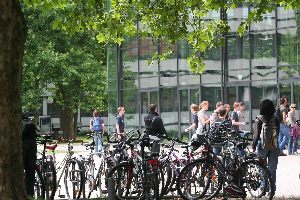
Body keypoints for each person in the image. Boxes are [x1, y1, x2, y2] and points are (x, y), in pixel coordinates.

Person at [252, 99, 279, 194]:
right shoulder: (276, 118)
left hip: (262, 146)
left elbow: (256, 135)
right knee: (272, 169)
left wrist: (253, 146)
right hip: (274, 146)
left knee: (261, 167)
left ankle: (263, 188)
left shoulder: (259, 119)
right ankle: (272, 189)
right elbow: (277, 133)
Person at [22, 112, 37, 198]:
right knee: (30, 170)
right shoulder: (30, 123)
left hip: (23, 145)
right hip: (32, 144)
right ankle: (30, 193)